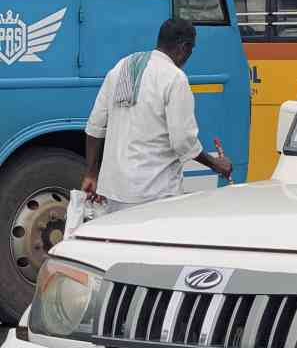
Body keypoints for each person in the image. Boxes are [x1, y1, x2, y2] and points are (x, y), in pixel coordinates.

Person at [82, 18, 232, 212]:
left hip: (114, 190)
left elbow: (95, 126)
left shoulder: (123, 67)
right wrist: (215, 163)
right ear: (183, 47)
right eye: (191, 49)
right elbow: (182, 141)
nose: (189, 56)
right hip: (154, 193)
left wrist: (91, 174)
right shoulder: (174, 78)